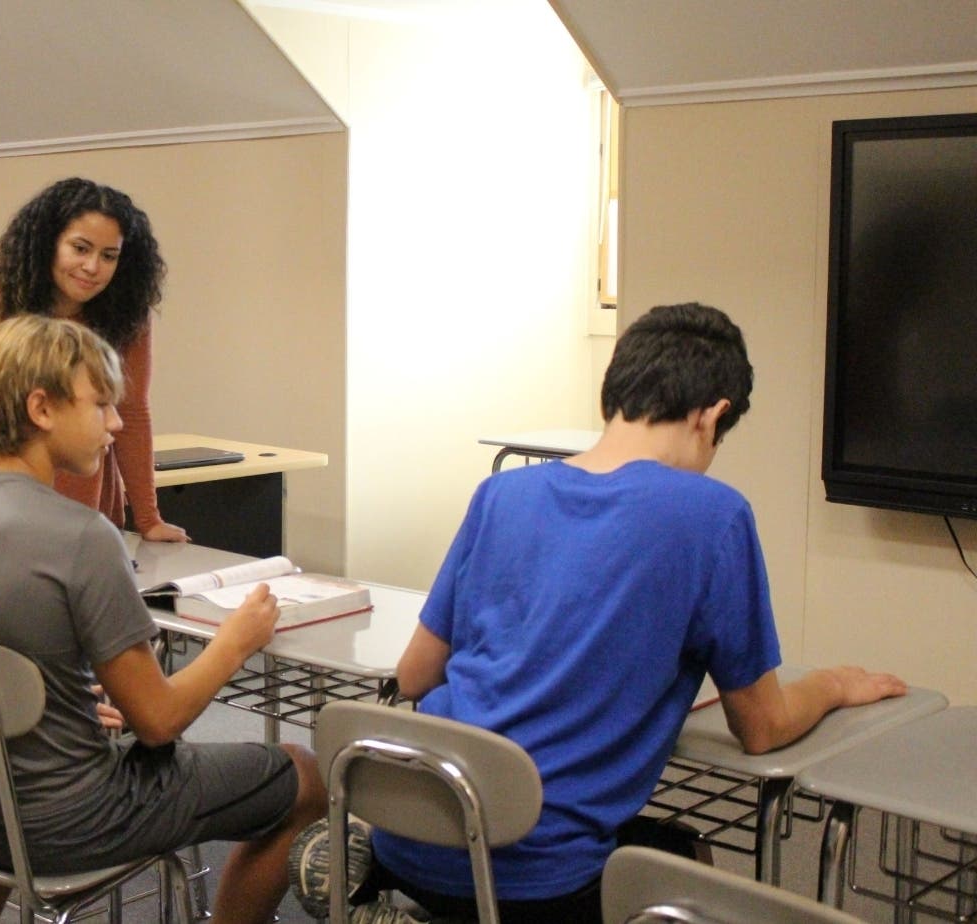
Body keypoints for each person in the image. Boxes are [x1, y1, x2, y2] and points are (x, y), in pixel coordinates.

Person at [291, 302, 907, 924]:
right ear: (713, 415)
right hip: (542, 880)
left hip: (412, 828)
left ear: (614, 391)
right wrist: (833, 683)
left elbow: (418, 674)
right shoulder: (713, 515)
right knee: (681, 858)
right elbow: (763, 727)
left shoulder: (502, 494)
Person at [0, 315, 327, 924]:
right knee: (304, 774)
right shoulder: (84, 537)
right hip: (71, 824)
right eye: (102, 404)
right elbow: (158, 722)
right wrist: (235, 642)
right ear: (42, 408)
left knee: (48, 768)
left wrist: (52, 699)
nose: (115, 424)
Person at [0, 176, 187, 542]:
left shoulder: (128, 313)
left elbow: (132, 414)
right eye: (80, 248)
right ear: (49, 244)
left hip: (86, 495)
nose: (92, 267)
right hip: (2, 503)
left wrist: (149, 518)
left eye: (109, 256)